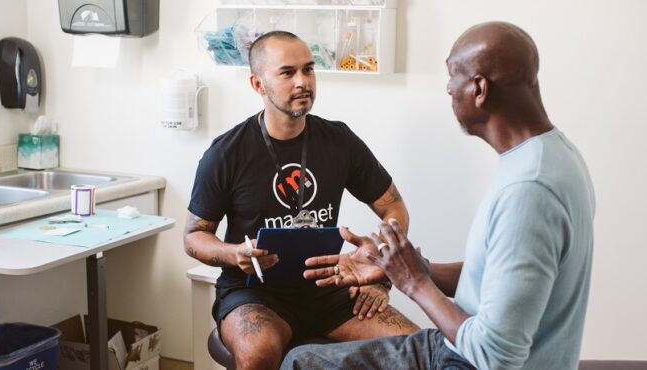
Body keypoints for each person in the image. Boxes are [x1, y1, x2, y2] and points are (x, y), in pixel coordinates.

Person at [281, 21, 595, 370]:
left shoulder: (529, 191)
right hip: (460, 344)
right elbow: (502, 280)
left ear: (479, 89)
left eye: (453, 76)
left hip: (470, 361)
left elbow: (495, 356)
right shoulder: (551, 154)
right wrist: (408, 267)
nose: (448, 88)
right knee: (301, 361)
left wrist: (412, 282)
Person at [184, 31, 420, 370]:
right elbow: (193, 236)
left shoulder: (339, 140)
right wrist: (233, 254)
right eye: (287, 72)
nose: (302, 82)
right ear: (257, 84)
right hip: (254, 293)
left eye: (308, 70)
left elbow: (392, 207)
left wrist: (379, 268)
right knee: (259, 351)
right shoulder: (226, 153)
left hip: (327, 287)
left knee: (416, 348)